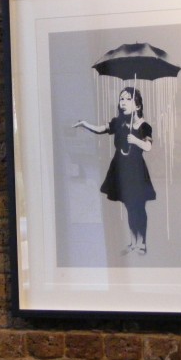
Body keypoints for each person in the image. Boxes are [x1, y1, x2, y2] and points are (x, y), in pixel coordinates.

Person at [73, 87, 156, 255]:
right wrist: (85, 124)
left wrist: (135, 140)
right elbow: (100, 129)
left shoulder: (144, 126)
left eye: (128, 99)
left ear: (137, 105)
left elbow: (148, 146)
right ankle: (133, 242)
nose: (123, 102)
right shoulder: (118, 122)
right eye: (121, 99)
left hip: (136, 170)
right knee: (130, 207)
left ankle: (142, 242)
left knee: (139, 208)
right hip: (120, 168)